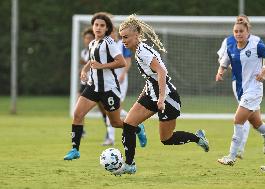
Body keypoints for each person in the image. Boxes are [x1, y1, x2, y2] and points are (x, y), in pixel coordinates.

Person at [113, 14, 210, 175]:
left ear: (137, 34)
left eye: (126, 37)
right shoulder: (138, 51)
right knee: (129, 125)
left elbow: (162, 72)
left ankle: (198, 138)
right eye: (122, 37)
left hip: (168, 98)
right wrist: (140, 99)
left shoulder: (143, 51)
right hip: (152, 95)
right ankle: (129, 165)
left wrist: (162, 98)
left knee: (166, 139)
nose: (123, 40)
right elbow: (151, 78)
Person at [64, 12, 147, 160]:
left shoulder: (109, 43)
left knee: (115, 123)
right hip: (93, 87)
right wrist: (84, 70)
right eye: (96, 25)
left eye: (102, 25)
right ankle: (75, 150)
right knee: (77, 114)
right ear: (92, 26)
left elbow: (121, 62)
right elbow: (92, 60)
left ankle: (137, 127)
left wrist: (102, 66)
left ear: (107, 28)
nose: (98, 27)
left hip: (109, 89)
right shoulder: (92, 43)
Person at [216, 16, 265, 166]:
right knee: (257, 123)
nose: (238, 34)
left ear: (247, 32)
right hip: (242, 90)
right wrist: (220, 72)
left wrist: (263, 74)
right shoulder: (231, 46)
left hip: (254, 90)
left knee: (238, 120)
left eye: (241, 31)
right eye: (236, 31)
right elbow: (224, 62)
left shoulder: (256, 44)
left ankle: (231, 156)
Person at [102, 28, 133, 146]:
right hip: (109, 81)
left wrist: (123, 74)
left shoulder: (122, 45)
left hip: (121, 81)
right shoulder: (104, 47)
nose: (112, 35)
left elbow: (128, 61)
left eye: (113, 33)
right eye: (109, 33)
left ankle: (111, 138)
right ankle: (110, 138)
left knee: (113, 108)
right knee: (110, 108)